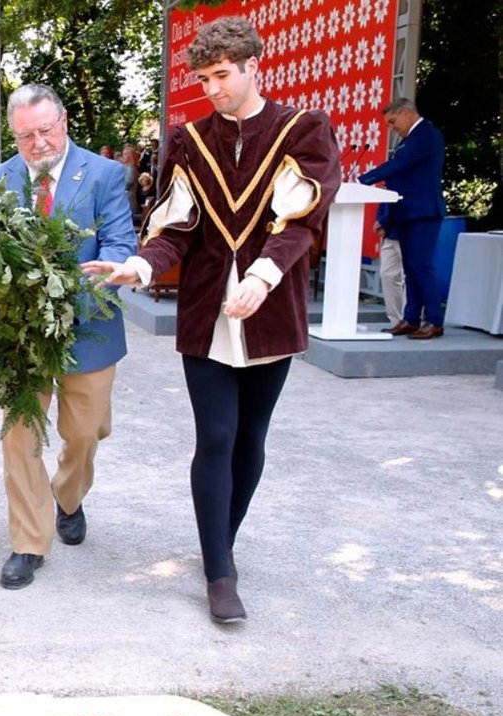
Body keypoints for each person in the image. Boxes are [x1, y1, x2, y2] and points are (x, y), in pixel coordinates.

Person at [82, 16, 340, 623]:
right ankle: (218, 572)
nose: (212, 88)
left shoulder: (303, 129)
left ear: (254, 66)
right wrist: (140, 268)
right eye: (203, 77)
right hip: (206, 312)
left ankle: (222, 541)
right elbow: (174, 228)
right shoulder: (189, 141)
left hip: (270, 308)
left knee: (252, 437)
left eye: (222, 75)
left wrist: (262, 277)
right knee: (216, 435)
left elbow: (301, 221)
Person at [0, 84, 136, 590]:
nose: (38, 142)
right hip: (20, 338)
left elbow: (118, 241)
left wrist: (91, 283)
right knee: (18, 438)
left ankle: (68, 496)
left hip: (88, 328)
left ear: (64, 121)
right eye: (26, 135)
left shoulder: (105, 174)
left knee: (85, 433)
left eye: (45, 129)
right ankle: (28, 542)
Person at [358, 98, 446, 340]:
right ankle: (410, 319)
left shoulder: (426, 135)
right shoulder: (409, 139)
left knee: (420, 266)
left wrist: (362, 180)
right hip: (407, 213)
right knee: (410, 269)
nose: (391, 128)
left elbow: (399, 166)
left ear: (406, 113)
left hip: (424, 212)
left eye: (393, 122)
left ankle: (434, 321)